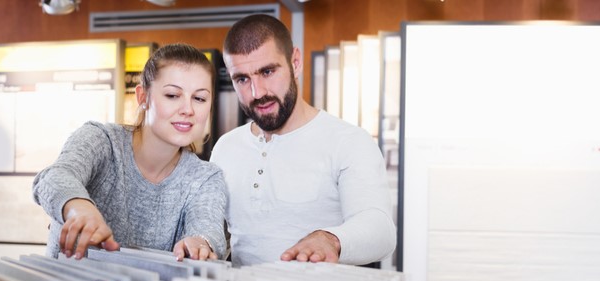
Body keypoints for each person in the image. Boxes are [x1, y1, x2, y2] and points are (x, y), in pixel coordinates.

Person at [210, 14, 396, 267]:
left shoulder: (348, 142)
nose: (257, 92)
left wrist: (331, 239)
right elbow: (212, 231)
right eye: (242, 79)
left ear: (295, 62)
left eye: (267, 71)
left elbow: (381, 230)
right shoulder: (225, 148)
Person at [33, 43, 226, 261]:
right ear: (143, 98)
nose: (188, 110)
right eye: (172, 95)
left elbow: (208, 230)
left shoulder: (205, 178)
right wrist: (79, 208)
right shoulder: (102, 140)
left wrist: (200, 243)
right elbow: (54, 177)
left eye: (199, 99)